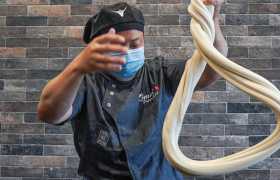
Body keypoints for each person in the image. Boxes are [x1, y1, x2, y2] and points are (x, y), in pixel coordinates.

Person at [37, 0, 227, 179]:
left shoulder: (160, 73)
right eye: (118, 45)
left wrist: (212, 19)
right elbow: (49, 113)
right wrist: (77, 67)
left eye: (135, 44)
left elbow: (210, 70)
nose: (128, 51)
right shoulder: (85, 82)